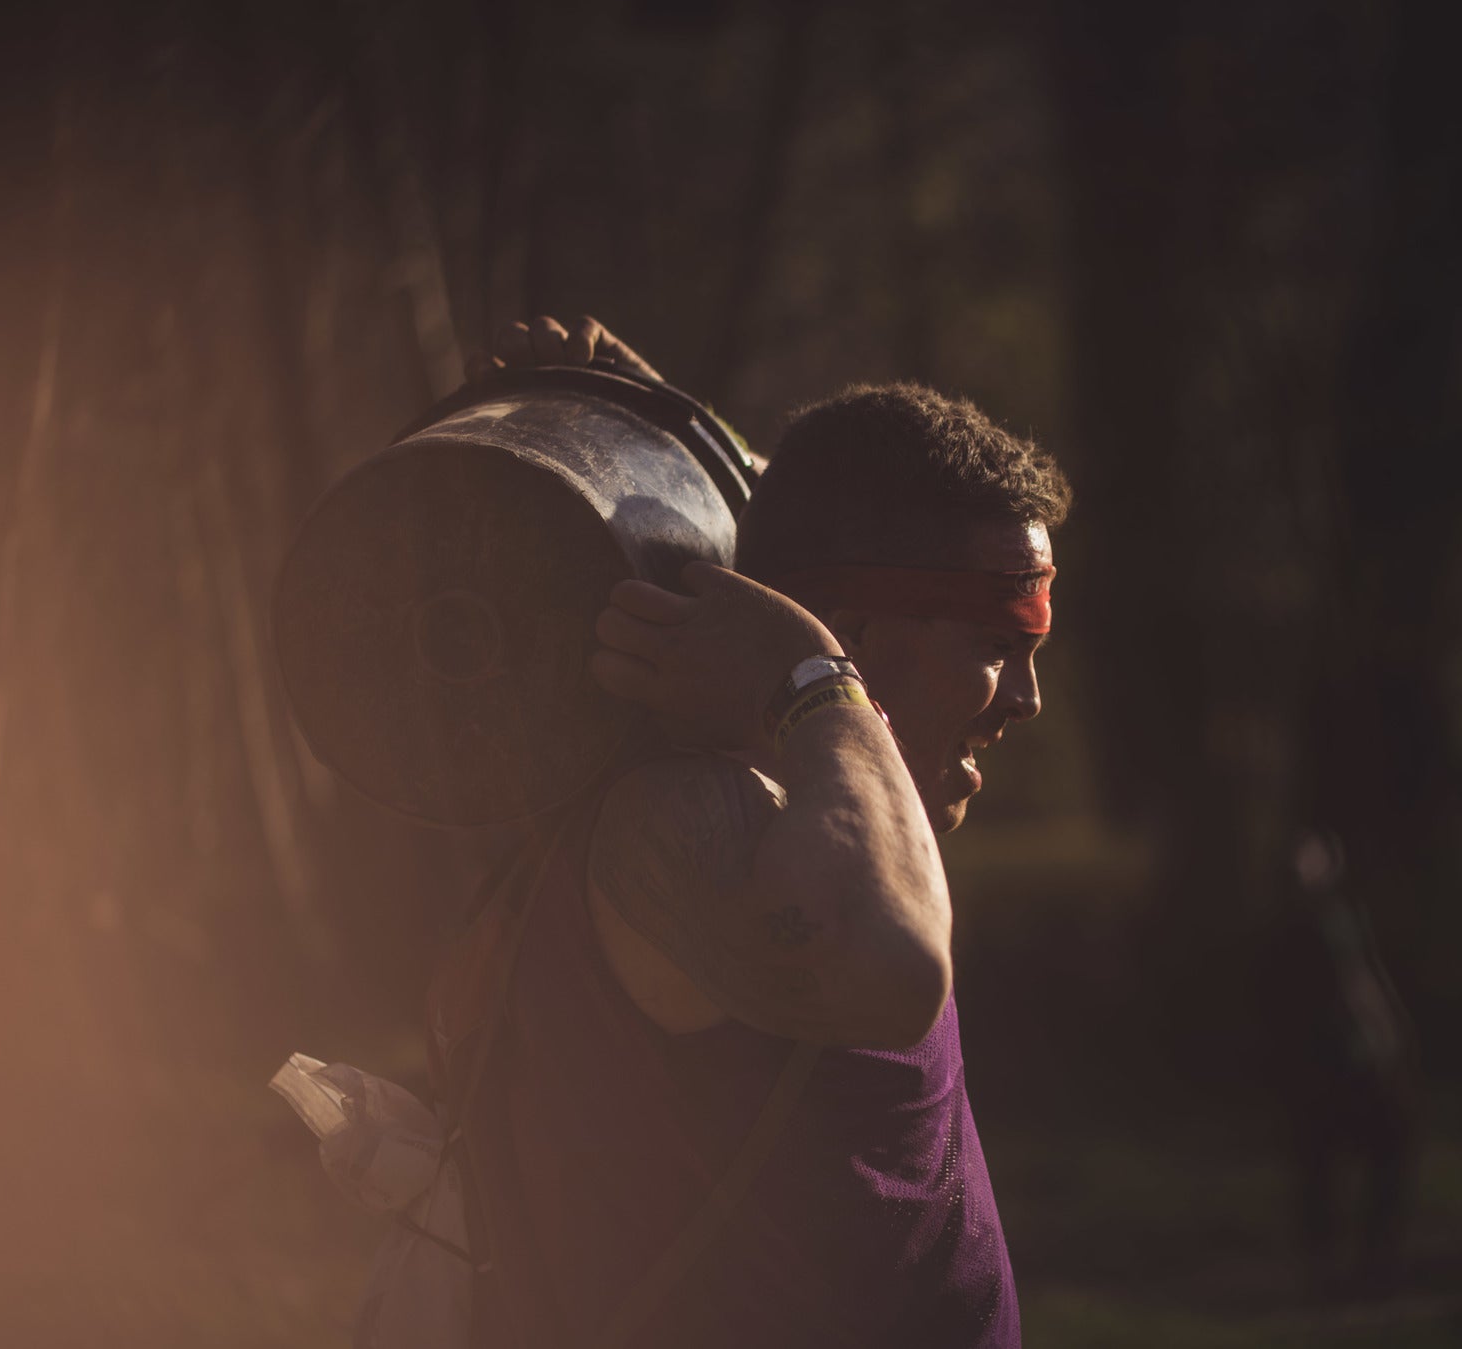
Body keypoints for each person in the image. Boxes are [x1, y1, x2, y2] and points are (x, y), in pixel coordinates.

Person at [433, 315, 1068, 1349]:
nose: (1026, 700)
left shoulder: (825, 807)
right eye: (997, 646)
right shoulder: (683, 816)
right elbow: (897, 972)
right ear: (842, 633)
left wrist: (670, 432)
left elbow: (815, 547)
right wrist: (818, 686)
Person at [1256, 827, 1419, 1291]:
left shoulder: (1344, 916)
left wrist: (1393, 1029)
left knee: (1380, 1149)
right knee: (1320, 1165)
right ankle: (1333, 1265)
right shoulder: (1292, 928)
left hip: (1361, 1055)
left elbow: (1366, 976)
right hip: (1322, 1062)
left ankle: (1372, 1259)